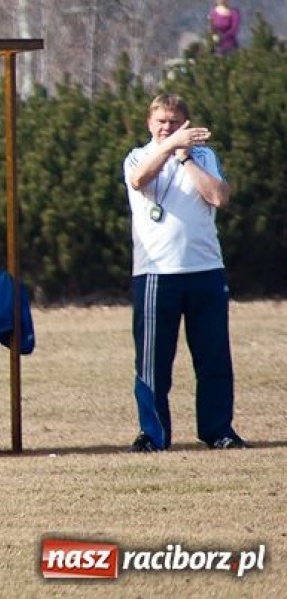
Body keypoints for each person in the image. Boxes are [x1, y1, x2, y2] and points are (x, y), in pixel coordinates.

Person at [121, 94, 246, 452]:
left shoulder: (204, 157)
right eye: (161, 121)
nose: (167, 127)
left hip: (205, 269)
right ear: (150, 124)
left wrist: (185, 156)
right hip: (156, 273)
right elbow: (139, 179)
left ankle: (218, 430)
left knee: (213, 357)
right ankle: (154, 434)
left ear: (187, 125)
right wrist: (167, 147)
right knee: (153, 362)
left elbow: (219, 197)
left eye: (174, 122)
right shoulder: (138, 155)